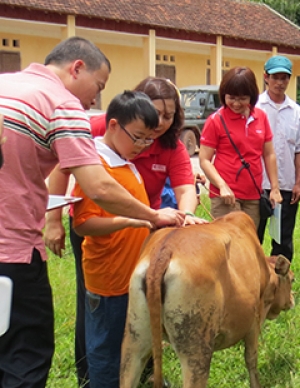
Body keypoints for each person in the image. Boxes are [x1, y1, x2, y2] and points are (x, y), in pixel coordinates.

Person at [0, 37, 183, 388]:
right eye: (97, 86)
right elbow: (98, 188)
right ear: (77, 68)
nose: (94, 99)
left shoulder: (7, 84)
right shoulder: (62, 103)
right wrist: (152, 215)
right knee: (24, 359)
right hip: (14, 255)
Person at [44, 75, 203, 386]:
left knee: (134, 316)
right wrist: (53, 221)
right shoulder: (100, 148)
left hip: (140, 239)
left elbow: (186, 189)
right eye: (150, 120)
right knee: (100, 325)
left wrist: (181, 216)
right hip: (110, 251)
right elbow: (81, 199)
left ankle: (136, 373)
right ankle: (92, 377)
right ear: (117, 123)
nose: (157, 126)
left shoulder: (140, 152)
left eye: (167, 117)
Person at [71, 91, 159, 387]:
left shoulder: (124, 163)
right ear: (112, 126)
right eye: (137, 137)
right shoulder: (96, 167)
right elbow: (83, 225)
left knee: (128, 348)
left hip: (130, 277)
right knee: (106, 354)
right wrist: (140, 219)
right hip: (109, 282)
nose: (142, 146)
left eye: (148, 139)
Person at [199, 67, 283, 225]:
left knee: (249, 243)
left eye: (242, 98)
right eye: (231, 98)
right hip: (226, 195)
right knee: (230, 244)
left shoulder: (261, 117)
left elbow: (269, 154)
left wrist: (275, 188)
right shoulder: (216, 120)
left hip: (253, 194)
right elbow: (204, 160)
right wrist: (222, 186)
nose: (236, 104)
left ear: (251, 97)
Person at [255, 56, 300, 260]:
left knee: (283, 240)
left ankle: (281, 285)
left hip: (286, 186)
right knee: (253, 238)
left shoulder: (296, 112)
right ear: (266, 77)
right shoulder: (256, 107)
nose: (280, 83)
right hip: (258, 185)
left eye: (285, 78)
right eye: (275, 77)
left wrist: (298, 183)